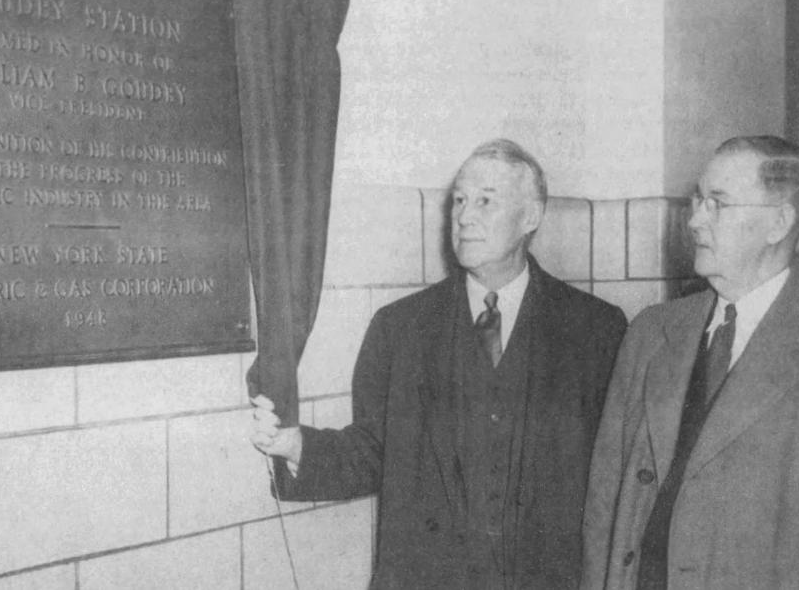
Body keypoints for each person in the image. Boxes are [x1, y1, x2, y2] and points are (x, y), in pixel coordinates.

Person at [252, 138, 627, 589]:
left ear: (531, 216)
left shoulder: (594, 331)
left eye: (486, 201)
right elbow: (374, 451)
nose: (465, 216)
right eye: (460, 202)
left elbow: (613, 479)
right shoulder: (400, 328)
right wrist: (297, 447)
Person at [582, 135, 799, 590]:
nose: (696, 220)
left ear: (778, 222)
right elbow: (604, 507)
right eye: (698, 200)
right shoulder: (650, 332)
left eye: (718, 203)